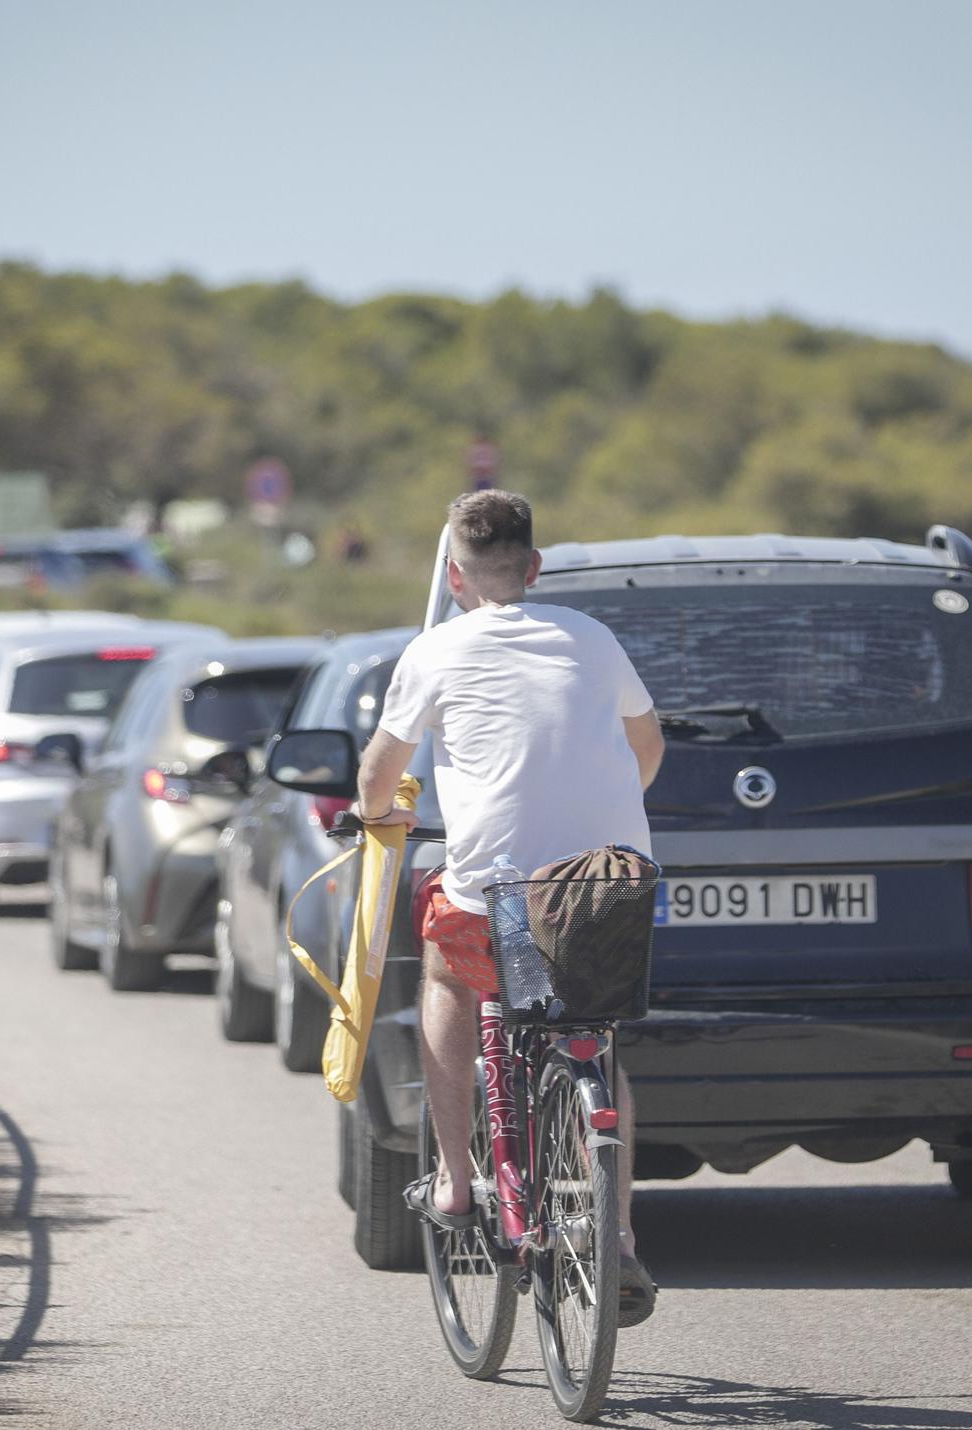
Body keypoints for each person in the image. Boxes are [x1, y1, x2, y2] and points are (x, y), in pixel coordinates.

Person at [354, 490, 666, 1327]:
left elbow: (378, 777)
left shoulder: (434, 651)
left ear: (454, 576)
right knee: (594, 1036)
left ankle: (457, 1181)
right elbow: (649, 747)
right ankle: (622, 1237)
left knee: (451, 981)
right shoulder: (595, 640)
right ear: (534, 568)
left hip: (498, 887)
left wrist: (380, 816)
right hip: (610, 878)